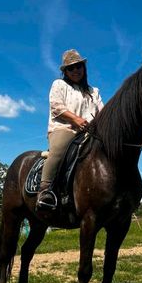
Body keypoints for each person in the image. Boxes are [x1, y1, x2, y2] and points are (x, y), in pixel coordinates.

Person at [35, 50, 104, 211]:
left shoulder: (94, 92)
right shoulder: (59, 85)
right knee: (59, 150)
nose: (75, 70)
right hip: (64, 128)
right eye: (70, 68)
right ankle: (45, 191)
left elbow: (103, 111)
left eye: (78, 66)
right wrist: (76, 119)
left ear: (84, 67)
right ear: (65, 71)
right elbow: (56, 107)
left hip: (91, 132)